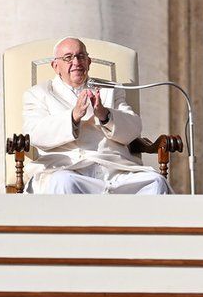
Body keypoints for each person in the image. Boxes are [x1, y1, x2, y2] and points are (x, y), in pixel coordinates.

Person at [22, 37, 171, 194]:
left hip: (114, 169)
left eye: (81, 56)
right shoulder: (38, 94)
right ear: (55, 66)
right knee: (63, 182)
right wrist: (73, 116)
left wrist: (105, 115)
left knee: (156, 182)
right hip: (68, 169)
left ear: (89, 62)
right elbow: (35, 134)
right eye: (68, 58)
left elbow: (133, 128)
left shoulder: (110, 89)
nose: (76, 62)